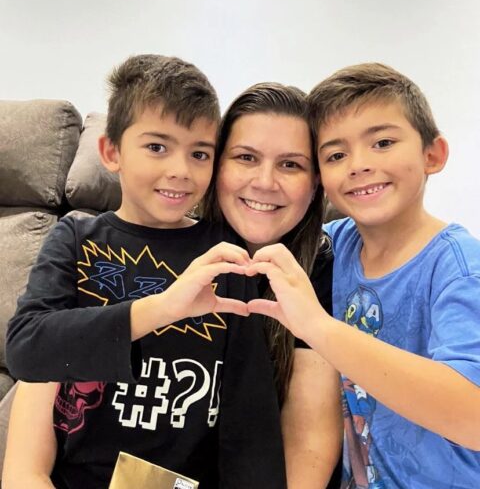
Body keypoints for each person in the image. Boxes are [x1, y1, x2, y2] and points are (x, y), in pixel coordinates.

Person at [3, 55, 286, 489]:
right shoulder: (76, 238)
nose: (180, 171)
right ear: (111, 152)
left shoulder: (223, 253)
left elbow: (249, 418)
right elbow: (27, 349)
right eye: (157, 147)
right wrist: (161, 309)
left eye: (199, 153)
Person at [246, 63, 480, 489]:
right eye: (336, 155)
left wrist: (319, 327)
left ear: (432, 154)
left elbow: (472, 416)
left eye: (383, 142)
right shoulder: (331, 247)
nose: (359, 165)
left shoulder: (460, 267)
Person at [203, 82, 343, 488]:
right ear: (216, 167)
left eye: (290, 165)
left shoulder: (325, 270)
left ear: (316, 183)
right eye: (246, 157)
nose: (265, 182)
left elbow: (310, 440)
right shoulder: (168, 250)